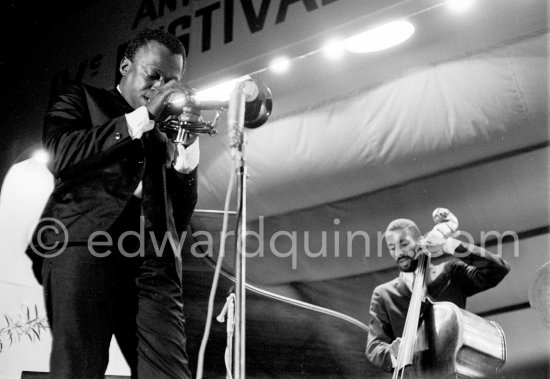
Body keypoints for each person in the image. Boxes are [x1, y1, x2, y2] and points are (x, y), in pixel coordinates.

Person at [26, 28, 199, 378]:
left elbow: (177, 219)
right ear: (124, 66)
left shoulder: (167, 133)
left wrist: (186, 163)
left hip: (153, 261)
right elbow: (61, 154)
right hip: (85, 247)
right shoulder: (80, 97)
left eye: (172, 81)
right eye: (154, 76)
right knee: (79, 370)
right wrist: (140, 119)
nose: (162, 88)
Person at [365, 208, 510, 373]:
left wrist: (449, 245)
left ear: (420, 241)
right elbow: (374, 346)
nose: (398, 253)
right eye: (392, 248)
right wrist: (391, 352)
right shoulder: (384, 294)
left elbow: (498, 269)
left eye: (404, 244)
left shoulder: (451, 273)